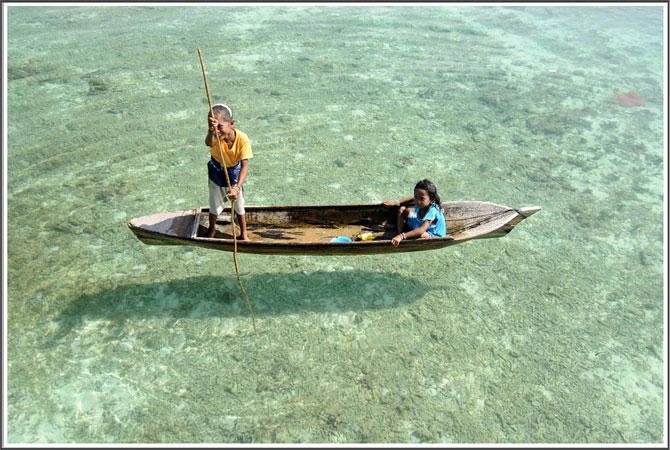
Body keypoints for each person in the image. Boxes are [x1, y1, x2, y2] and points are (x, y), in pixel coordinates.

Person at [205, 103, 253, 240]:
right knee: (214, 204)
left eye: (220, 127)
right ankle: (212, 229)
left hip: (233, 173)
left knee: (238, 203)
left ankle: (243, 233)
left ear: (231, 123)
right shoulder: (214, 136)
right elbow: (208, 143)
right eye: (214, 127)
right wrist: (211, 131)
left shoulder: (242, 139)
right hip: (216, 170)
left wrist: (237, 188)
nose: (217, 130)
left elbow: (244, 166)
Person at [383, 179, 446, 247]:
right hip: (418, 223)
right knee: (402, 210)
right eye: (416, 197)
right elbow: (411, 198)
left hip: (433, 234)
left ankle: (401, 237)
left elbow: (421, 231)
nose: (418, 201)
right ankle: (399, 235)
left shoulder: (432, 211)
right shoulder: (421, 202)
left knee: (421, 235)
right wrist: (396, 202)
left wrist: (401, 236)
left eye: (422, 199)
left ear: (432, 199)